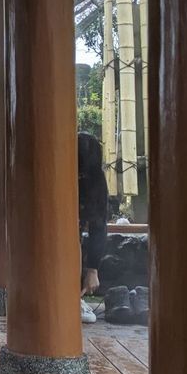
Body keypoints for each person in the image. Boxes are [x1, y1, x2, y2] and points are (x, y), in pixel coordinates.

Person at [78, 131, 108, 323]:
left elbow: (98, 225)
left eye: (83, 175)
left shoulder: (95, 179)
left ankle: (75, 298)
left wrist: (92, 270)